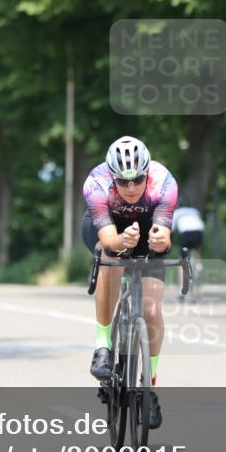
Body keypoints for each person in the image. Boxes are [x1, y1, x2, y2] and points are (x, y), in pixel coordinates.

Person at [81, 136, 177, 430]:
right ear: (112, 177)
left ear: (147, 173)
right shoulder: (96, 184)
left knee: (150, 310)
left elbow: (163, 238)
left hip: (148, 229)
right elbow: (109, 239)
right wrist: (121, 241)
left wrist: (160, 240)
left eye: (137, 180)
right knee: (110, 257)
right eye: (123, 182)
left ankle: (149, 386)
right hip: (109, 227)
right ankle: (102, 347)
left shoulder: (164, 183)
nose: (131, 187)